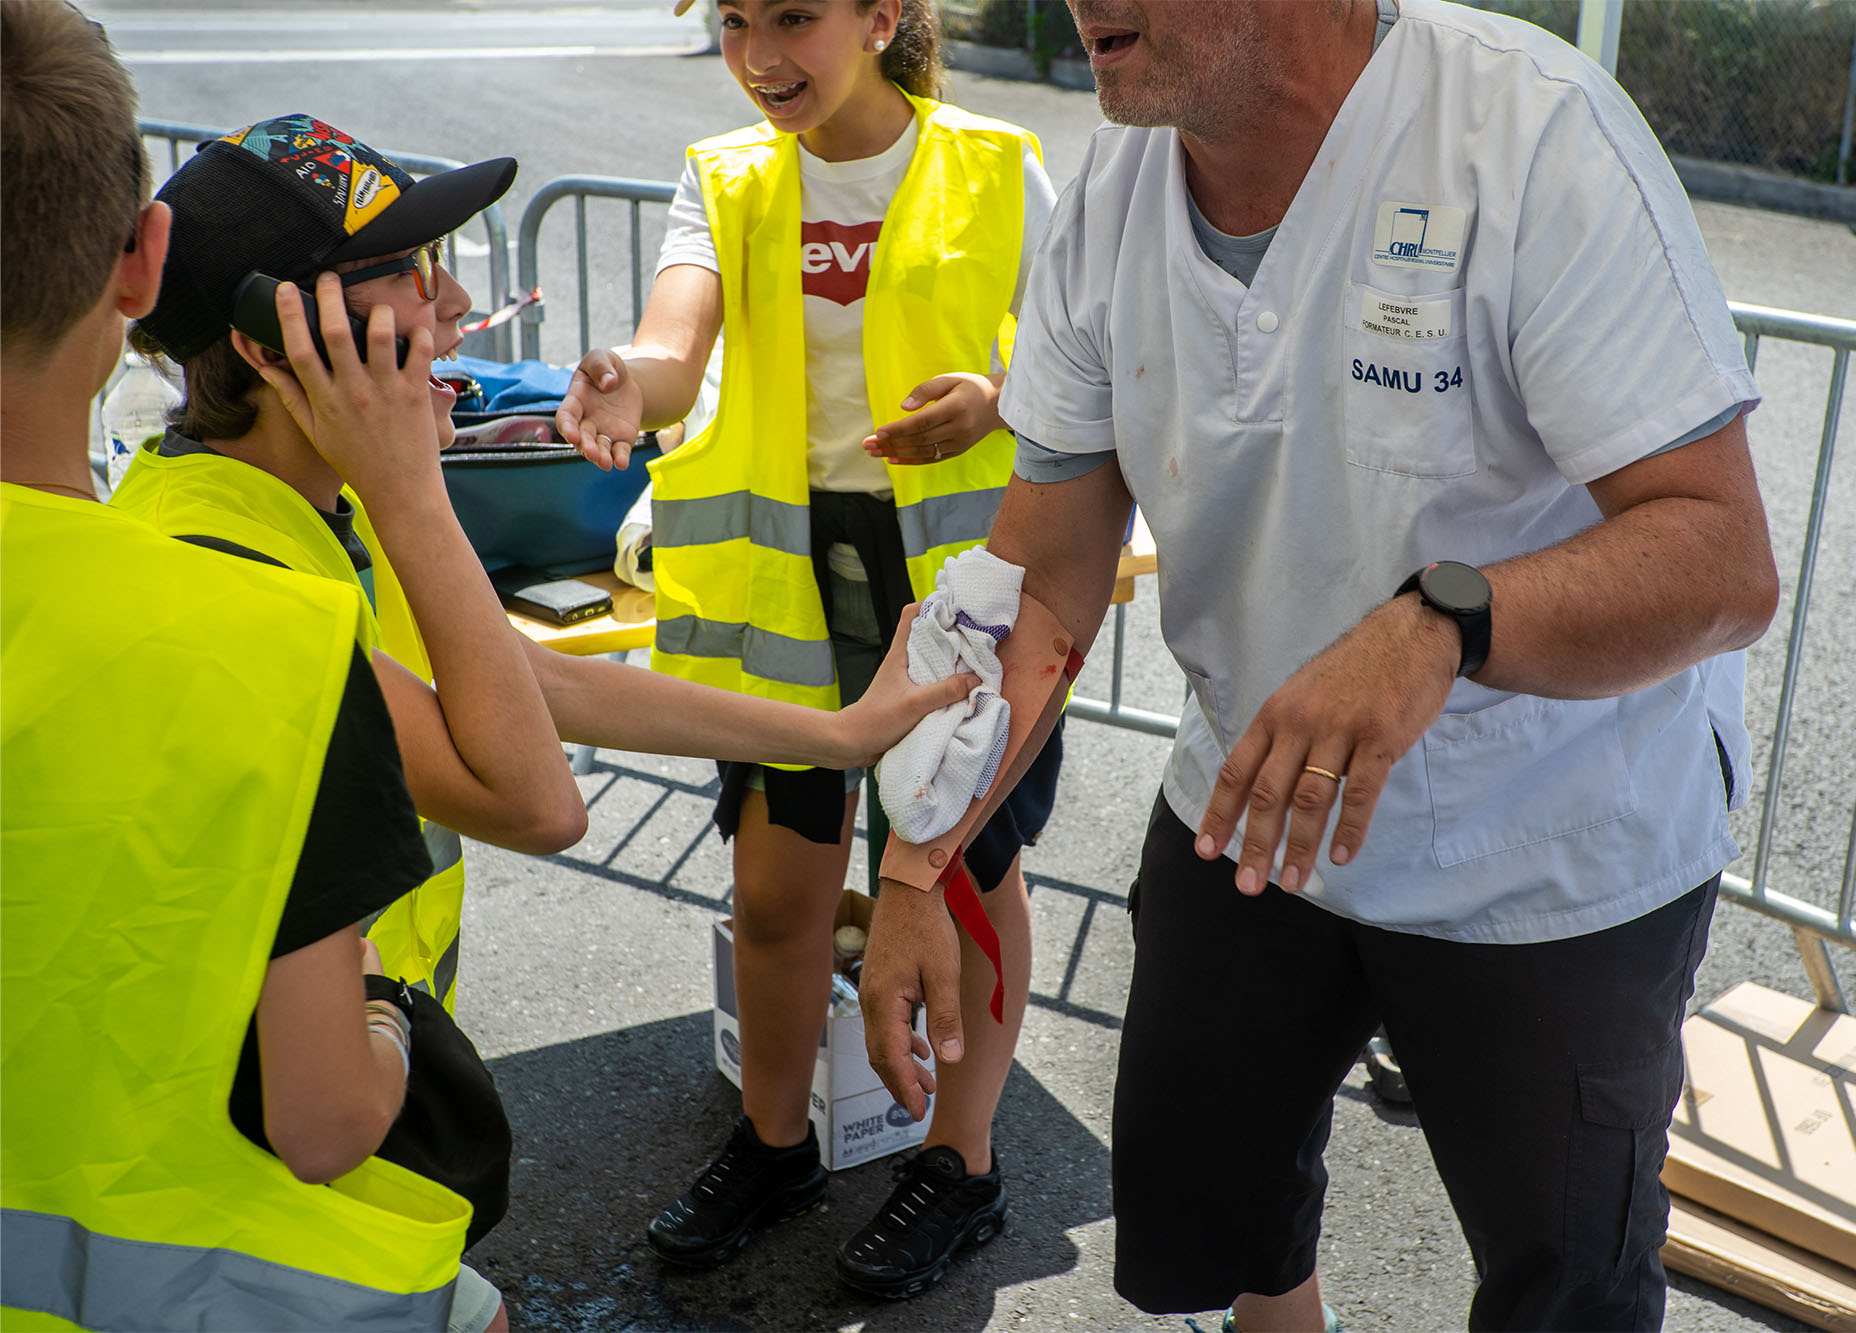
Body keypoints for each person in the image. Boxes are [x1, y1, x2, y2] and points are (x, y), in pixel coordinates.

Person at [860, 2, 1782, 1331]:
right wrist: (917, 863)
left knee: (1563, 1284)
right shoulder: (1114, 198)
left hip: (1550, 842)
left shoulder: (1527, 131)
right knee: (1211, 1207)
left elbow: (1719, 559)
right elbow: (1042, 586)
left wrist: (1440, 622)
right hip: (1254, 800)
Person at [112, 115, 977, 1026]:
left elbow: (523, 680)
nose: (455, 300)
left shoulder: (312, 499)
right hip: (290, 1081)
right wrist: (411, 494)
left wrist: (842, 736)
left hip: (377, 1037)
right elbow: (537, 806)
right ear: (271, 340)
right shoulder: (222, 564)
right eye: (411, 272)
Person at [556, 0, 1064, 1296]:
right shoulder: (724, 177)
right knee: (780, 889)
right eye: (735, 20)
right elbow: (675, 352)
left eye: (794, 16)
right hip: (786, 581)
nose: (760, 55)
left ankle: (961, 1162)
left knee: (963, 874)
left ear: (881, 17)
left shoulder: (998, 166)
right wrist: (626, 379)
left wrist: (998, 400)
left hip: (954, 587)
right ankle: (774, 1144)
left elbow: (1091, 364)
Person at [0, 5, 492, 1328]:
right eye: (408, 269)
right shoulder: (253, 634)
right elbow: (326, 1118)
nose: (447, 300)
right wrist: (383, 1007)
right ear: (140, 257)